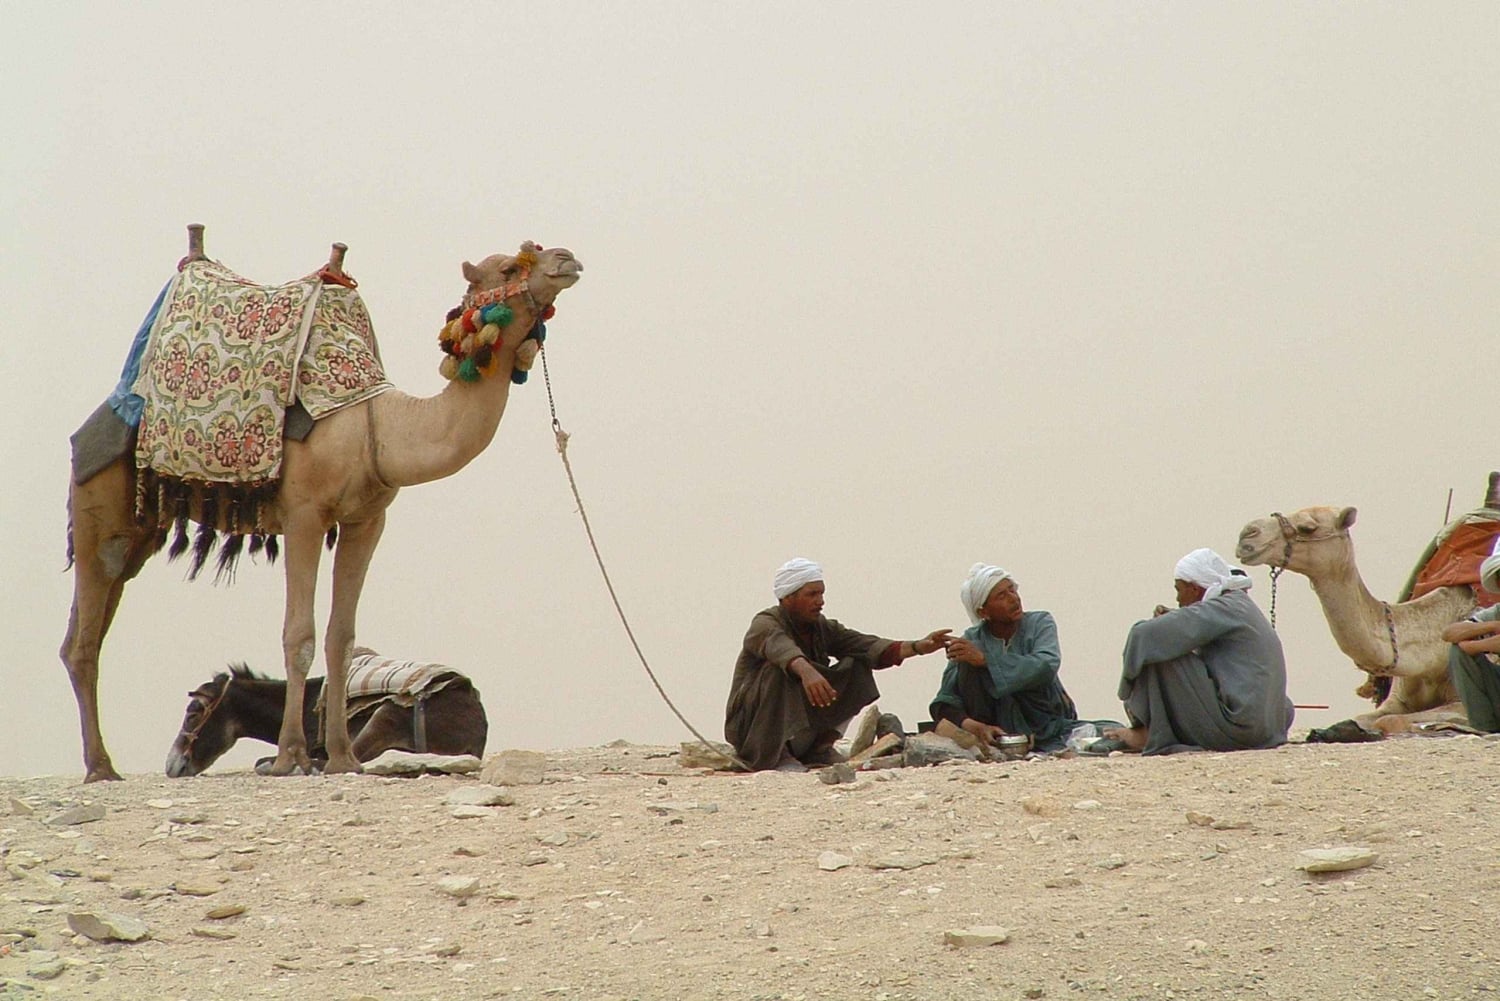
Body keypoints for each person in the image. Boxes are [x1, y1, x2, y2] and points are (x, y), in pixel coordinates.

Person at [725, 557, 951, 771]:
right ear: (788, 598)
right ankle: (777, 754)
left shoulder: (820, 627)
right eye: (812, 594)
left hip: (803, 728)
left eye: (821, 593)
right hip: (754, 732)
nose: (820, 601)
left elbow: (865, 645)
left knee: (857, 663)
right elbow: (781, 649)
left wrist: (918, 647)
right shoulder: (764, 623)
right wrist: (806, 671)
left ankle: (820, 748)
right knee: (779, 670)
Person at [1100, 548, 1293, 755]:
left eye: (1179, 589)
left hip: (1239, 730)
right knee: (1165, 641)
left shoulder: (1223, 607)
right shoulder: (1236, 605)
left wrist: (1126, 693)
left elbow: (1143, 635)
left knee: (1159, 649)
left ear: (1194, 589)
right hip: (1267, 730)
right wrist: (1174, 619)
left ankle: (1149, 732)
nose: (1178, 598)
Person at [930, 563, 1116, 753]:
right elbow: (946, 702)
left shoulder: (1039, 623)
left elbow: (1046, 665)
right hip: (997, 732)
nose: (1014, 598)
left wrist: (986, 660)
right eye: (1002, 596)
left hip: (1047, 727)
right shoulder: (971, 641)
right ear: (983, 612)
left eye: (1012, 590)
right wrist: (976, 727)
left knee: (1113, 731)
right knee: (967, 665)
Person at [1441, 539, 1500, 731]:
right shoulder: (1496, 613)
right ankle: (1484, 728)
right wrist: (1493, 625)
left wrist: (1476, 646)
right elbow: (1449, 633)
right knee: (1458, 652)